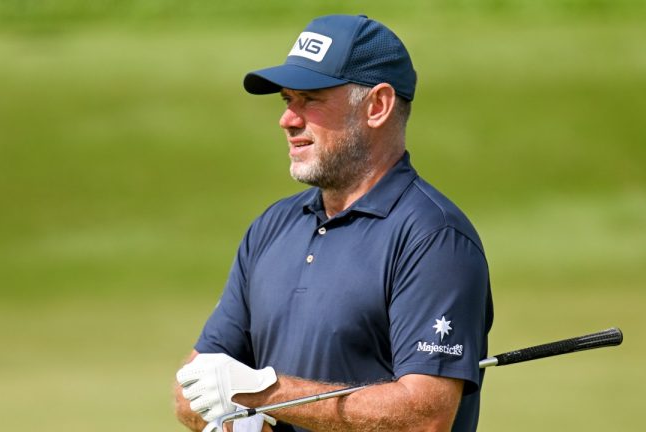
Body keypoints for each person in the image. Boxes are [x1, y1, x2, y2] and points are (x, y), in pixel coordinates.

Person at [174, 14, 493, 432]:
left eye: (311, 99)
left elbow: (426, 417)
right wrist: (239, 422)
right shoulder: (273, 227)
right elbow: (191, 389)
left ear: (377, 106)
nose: (288, 120)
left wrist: (262, 394)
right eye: (287, 100)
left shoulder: (433, 239)